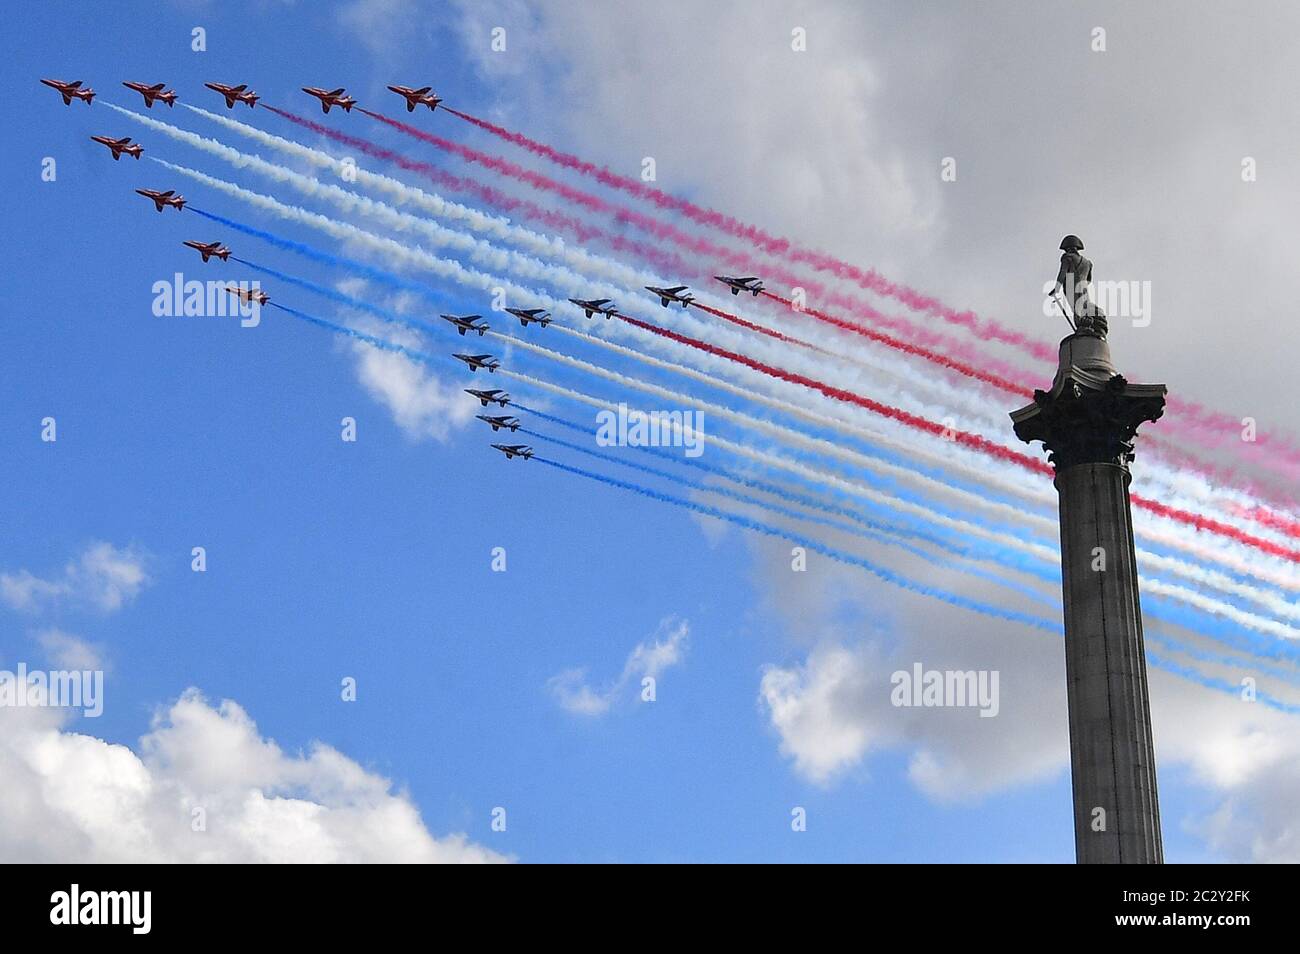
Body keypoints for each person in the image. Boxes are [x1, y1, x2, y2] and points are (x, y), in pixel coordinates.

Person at [1053, 234, 1108, 337]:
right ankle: (1092, 324)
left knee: (1077, 309)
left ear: (1068, 248)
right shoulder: (1088, 263)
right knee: (1084, 306)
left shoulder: (1067, 257)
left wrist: (1056, 289)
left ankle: (1083, 328)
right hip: (1083, 288)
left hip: (1071, 287)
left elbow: (1062, 273)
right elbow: (1089, 280)